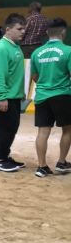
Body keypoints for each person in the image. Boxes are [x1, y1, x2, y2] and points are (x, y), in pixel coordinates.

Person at [31, 18, 71, 177]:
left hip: (41, 96)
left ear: (47, 33)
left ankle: (41, 166)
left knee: (43, 131)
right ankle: (61, 162)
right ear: (63, 32)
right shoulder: (68, 51)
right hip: (62, 95)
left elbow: (34, 77)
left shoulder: (36, 53)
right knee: (67, 130)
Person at [0, 13, 27, 172]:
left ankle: (5, 155)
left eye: (24, 28)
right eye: (19, 28)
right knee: (5, 128)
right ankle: (1, 159)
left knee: (12, 127)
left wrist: (20, 92)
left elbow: (14, 73)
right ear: (8, 29)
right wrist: (2, 97)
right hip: (4, 97)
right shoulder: (1, 49)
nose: (22, 31)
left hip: (14, 96)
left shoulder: (14, 46)